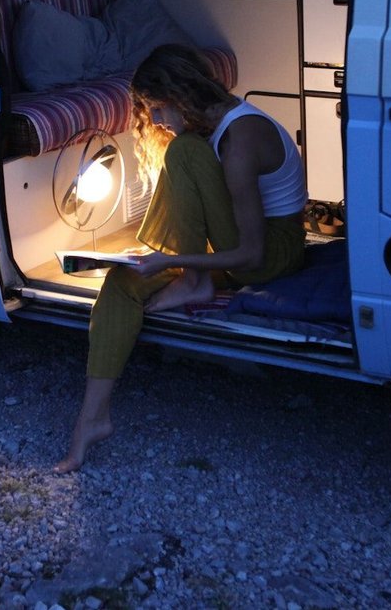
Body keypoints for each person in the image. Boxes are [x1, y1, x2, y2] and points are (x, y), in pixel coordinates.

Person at [53, 44, 308, 473]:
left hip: (274, 251)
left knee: (184, 152)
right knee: (122, 284)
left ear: (182, 94)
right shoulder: (215, 128)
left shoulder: (240, 138)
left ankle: (192, 279)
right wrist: (155, 264)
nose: (153, 120)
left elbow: (251, 253)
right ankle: (91, 420)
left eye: (156, 107)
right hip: (239, 244)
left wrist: (182, 265)